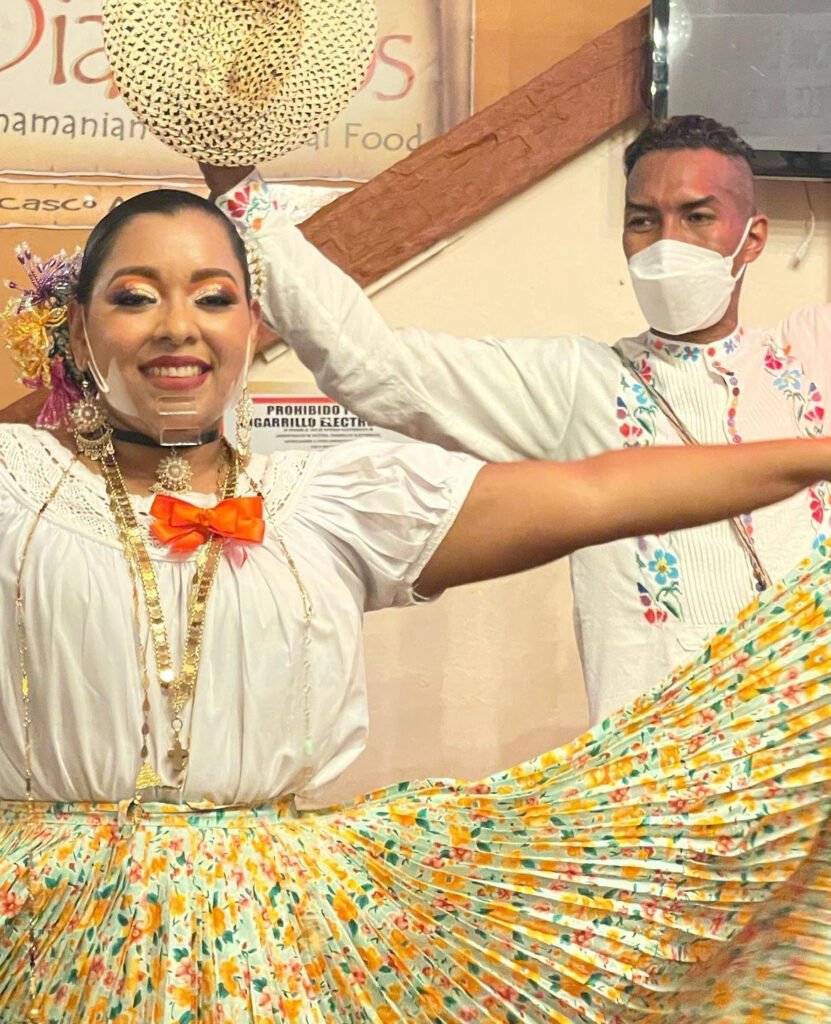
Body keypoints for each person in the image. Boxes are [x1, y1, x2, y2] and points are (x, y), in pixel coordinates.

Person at [1, 186, 831, 1023]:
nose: (178, 325)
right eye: (136, 296)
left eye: (214, 297)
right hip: (38, 936)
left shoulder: (333, 501)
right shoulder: (13, 488)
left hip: (272, 950)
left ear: (250, 330)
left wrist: (820, 456)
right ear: (78, 328)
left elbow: (597, 489)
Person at [201, 115, 831, 724]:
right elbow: (372, 364)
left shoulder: (811, 351)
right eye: (644, 221)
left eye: (697, 217)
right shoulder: (580, 384)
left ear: (751, 237)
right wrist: (238, 188)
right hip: (658, 787)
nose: (668, 243)